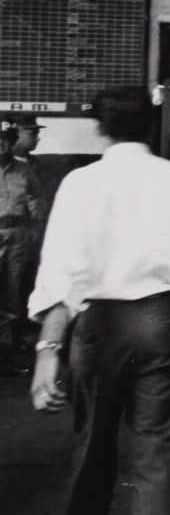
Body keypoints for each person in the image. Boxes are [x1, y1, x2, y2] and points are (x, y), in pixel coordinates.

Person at [27, 85, 170, 515]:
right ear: (152, 126)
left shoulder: (80, 183)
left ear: (100, 128)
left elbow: (61, 273)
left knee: (93, 447)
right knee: (162, 454)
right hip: (164, 320)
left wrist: (48, 350)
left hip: (100, 326)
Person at [0, 117, 43, 377]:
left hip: (17, 236)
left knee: (13, 297)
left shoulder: (24, 171)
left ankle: (7, 352)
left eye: (5, 141)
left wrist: (32, 230)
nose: (1, 146)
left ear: (12, 143)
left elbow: (37, 199)